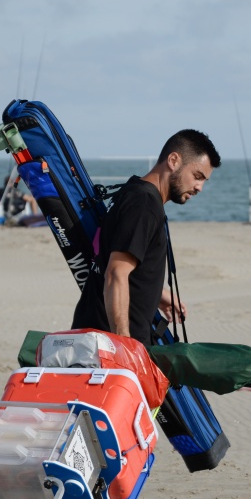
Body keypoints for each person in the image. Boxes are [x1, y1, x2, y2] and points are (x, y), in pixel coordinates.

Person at [72, 129, 221, 346]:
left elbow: (114, 263)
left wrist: (156, 294)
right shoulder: (143, 205)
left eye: (204, 180)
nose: (199, 187)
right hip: (110, 348)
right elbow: (116, 274)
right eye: (197, 176)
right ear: (173, 160)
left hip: (100, 341)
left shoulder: (134, 192)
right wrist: (124, 348)